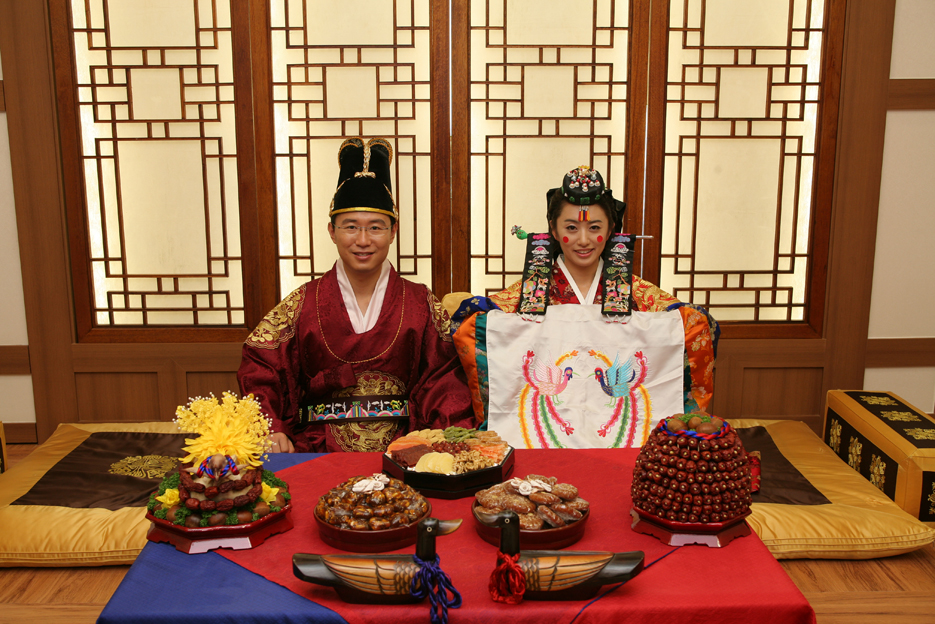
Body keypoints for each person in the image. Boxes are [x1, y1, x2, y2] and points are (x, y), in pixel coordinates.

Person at [238, 138, 474, 453]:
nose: (363, 240)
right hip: (318, 448)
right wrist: (270, 426)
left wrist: (443, 437)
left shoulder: (421, 303)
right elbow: (262, 366)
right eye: (350, 227)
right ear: (332, 231)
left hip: (405, 450)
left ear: (393, 231)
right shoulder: (302, 303)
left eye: (376, 227)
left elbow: (445, 381)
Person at [452, 166, 718, 430]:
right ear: (553, 230)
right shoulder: (531, 293)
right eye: (571, 227)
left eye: (594, 227)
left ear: (611, 230)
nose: (583, 240)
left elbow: (694, 326)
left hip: (620, 425)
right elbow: (471, 330)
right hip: (548, 427)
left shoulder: (635, 293)